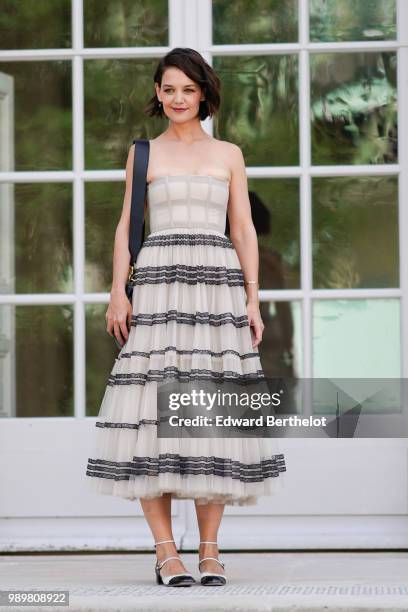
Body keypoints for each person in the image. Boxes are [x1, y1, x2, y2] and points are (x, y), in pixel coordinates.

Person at [85, 47, 286, 587]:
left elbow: (242, 229)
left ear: (204, 94)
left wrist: (252, 297)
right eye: (168, 88)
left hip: (216, 290)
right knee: (150, 414)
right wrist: (116, 294)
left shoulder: (228, 153)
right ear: (157, 92)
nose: (177, 98)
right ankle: (166, 551)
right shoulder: (143, 154)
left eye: (188, 90)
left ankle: (211, 551)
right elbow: (128, 224)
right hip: (159, 286)